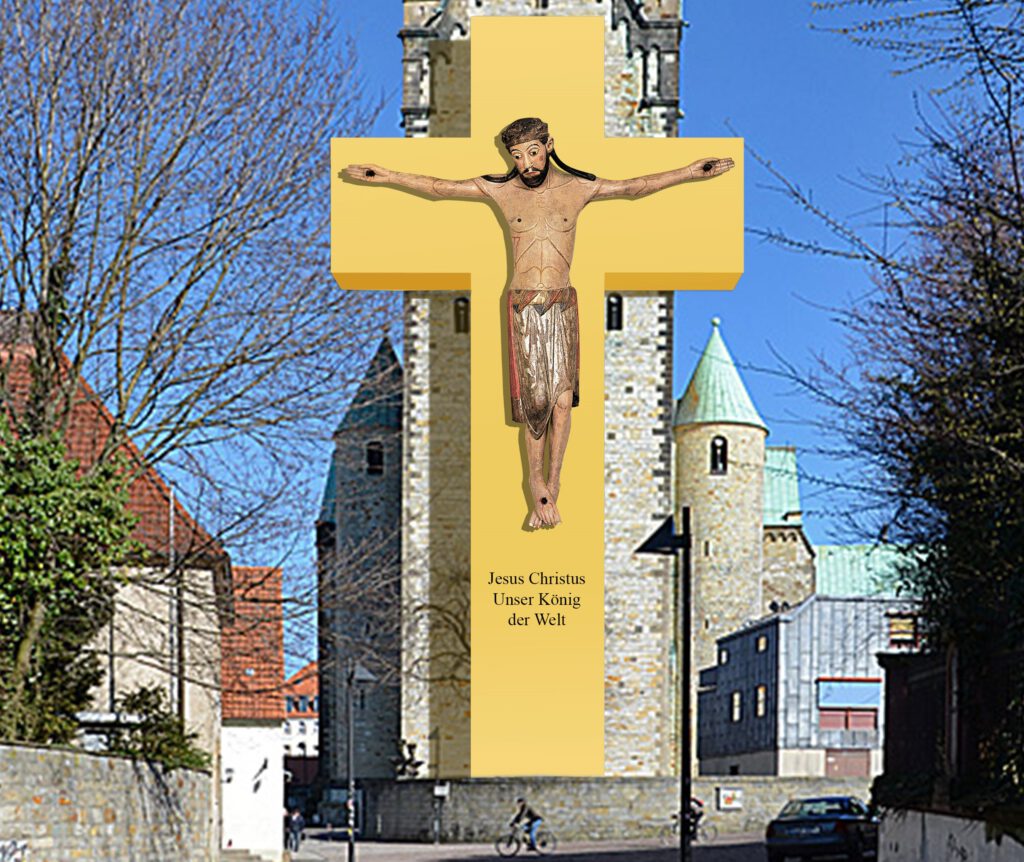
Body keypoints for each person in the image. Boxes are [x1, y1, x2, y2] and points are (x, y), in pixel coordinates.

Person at [343, 118, 732, 529]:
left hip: (562, 303)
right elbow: (440, 188)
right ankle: (535, 483)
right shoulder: (502, 190)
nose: (526, 163)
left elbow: (634, 187)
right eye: (517, 156)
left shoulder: (578, 188)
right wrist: (386, 176)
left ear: (549, 146)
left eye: (532, 152)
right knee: (536, 405)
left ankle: (553, 484)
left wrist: (690, 172)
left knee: (563, 401)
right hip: (524, 305)